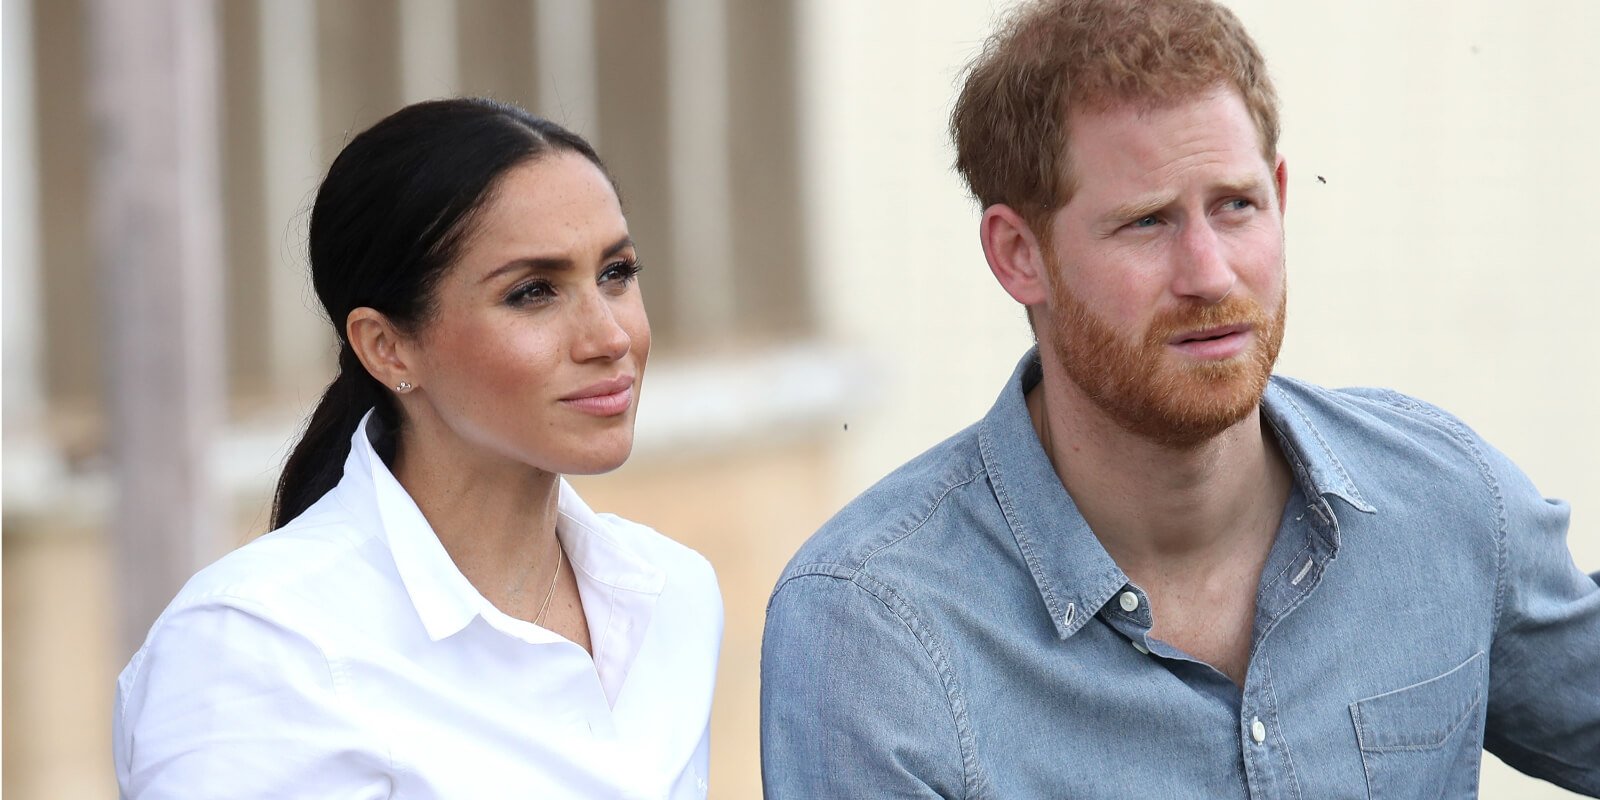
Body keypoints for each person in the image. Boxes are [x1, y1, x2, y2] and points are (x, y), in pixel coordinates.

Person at [759, 0, 1600, 796]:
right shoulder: (875, 629)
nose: (1210, 274)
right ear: (1019, 254)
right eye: (1148, 223)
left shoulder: (1443, 503)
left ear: (1279, 193)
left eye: (1236, 207)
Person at [113, 98, 722, 798]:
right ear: (387, 345)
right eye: (533, 292)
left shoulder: (672, 595)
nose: (610, 337)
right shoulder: (256, 647)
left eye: (616, 273)